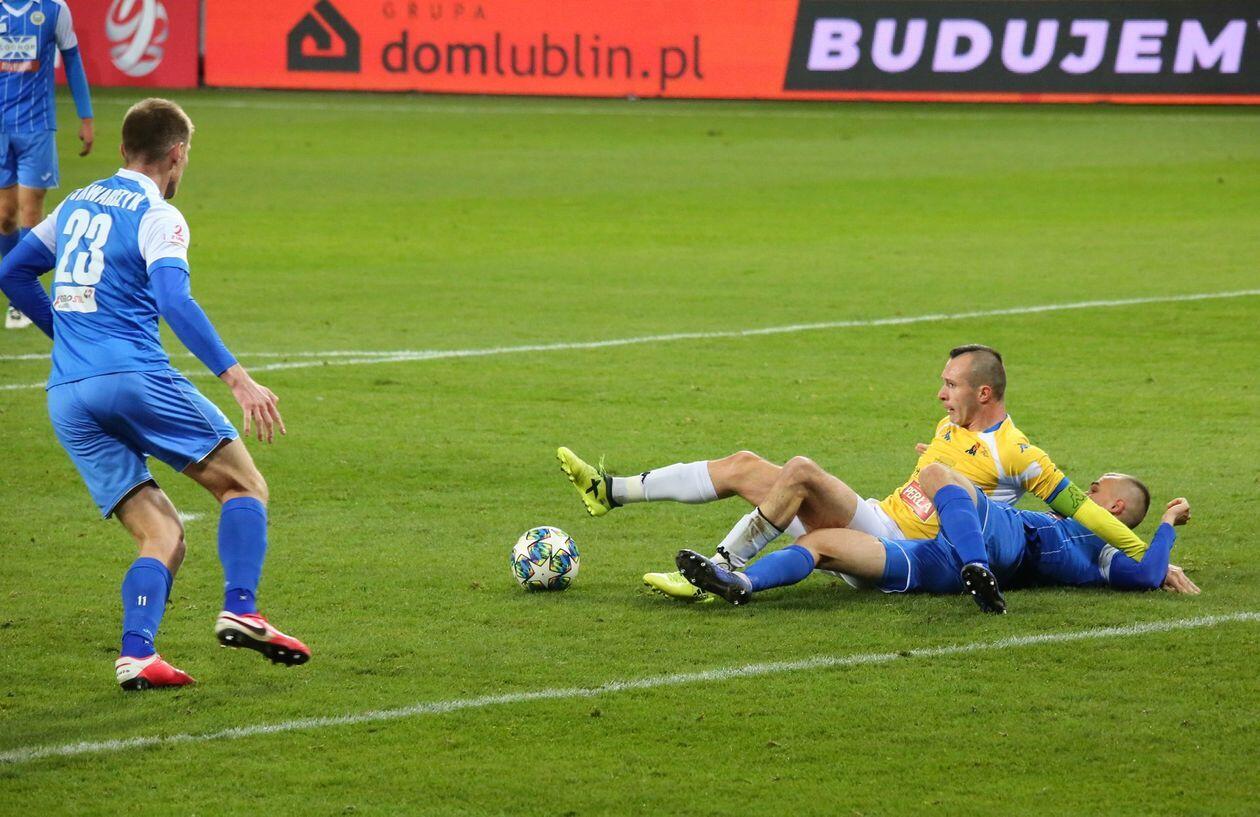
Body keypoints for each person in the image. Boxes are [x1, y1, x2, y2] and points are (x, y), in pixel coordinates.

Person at [0, 98, 309, 691]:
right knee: (243, 485)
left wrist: (68, 334)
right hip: (134, 378)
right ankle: (241, 608)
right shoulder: (158, 215)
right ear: (178, 154)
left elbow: (11, 271)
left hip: (67, 395)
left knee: (161, 533)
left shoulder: (76, 203)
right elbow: (173, 300)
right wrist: (237, 378)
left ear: (122, 148)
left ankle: (137, 653)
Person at [558, 344, 1158, 605]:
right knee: (746, 466)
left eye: (950, 385)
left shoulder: (1019, 454)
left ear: (983, 392)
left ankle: (718, 571)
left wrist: (1142, 553)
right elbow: (942, 466)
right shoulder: (950, 427)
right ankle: (611, 492)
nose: (940, 393)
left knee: (800, 471)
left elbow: (1081, 509)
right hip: (878, 517)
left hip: (906, 550)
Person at [674, 470, 1196, 607]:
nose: (1087, 490)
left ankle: (978, 566)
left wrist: (1167, 525)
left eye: (1097, 489)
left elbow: (1147, 574)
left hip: (1005, 545)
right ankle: (742, 582)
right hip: (938, 561)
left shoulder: (1100, 549)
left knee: (939, 477)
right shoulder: (1091, 545)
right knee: (822, 544)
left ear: (1115, 509)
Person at [0, 0, 95, 328]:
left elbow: (72, 58)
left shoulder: (54, 9)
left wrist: (86, 116)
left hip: (37, 127)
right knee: (4, 215)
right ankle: (14, 282)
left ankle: (21, 300)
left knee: (31, 212)